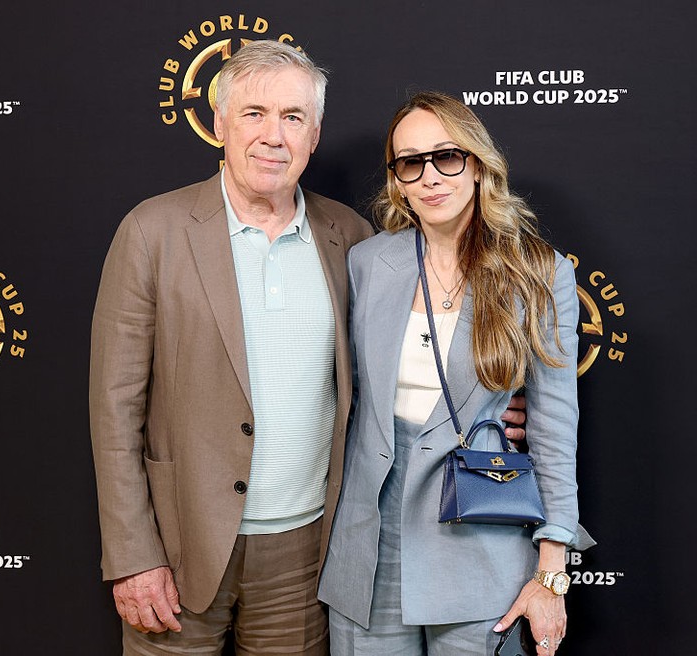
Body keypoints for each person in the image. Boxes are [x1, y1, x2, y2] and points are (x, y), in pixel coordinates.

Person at [90, 41, 529, 654]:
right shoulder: (151, 232)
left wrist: (492, 404)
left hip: (305, 556)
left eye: (293, 117)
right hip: (179, 547)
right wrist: (135, 556)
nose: (274, 136)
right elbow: (114, 413)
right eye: (254, 114)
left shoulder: (350, 238)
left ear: (315, 133)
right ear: (218, 121)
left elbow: (400, 364)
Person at [318, 91, 593, 656]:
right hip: (369, 550)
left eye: (446, 156)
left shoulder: (538, 272)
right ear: (396, 179)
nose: (430, 177)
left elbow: (553, 428)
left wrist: (550, 573)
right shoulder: (369, 263)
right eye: (410, 162)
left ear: (477, 163)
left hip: (480, 546)